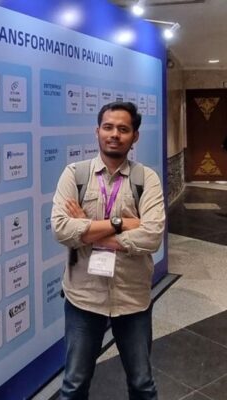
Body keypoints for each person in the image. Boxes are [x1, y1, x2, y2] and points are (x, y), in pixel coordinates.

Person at [51, 101, 165, 400]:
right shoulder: (75, 175)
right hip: (84, 297)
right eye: (108, 127)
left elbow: (152, 236)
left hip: (132, 298)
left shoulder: (146, 179)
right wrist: (121, 223)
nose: (115, 134)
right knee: (74, 386)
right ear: (97, 131)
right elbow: (61, 229)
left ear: (134, 136)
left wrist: (88, 232)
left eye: (123, 129)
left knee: (142, 384)